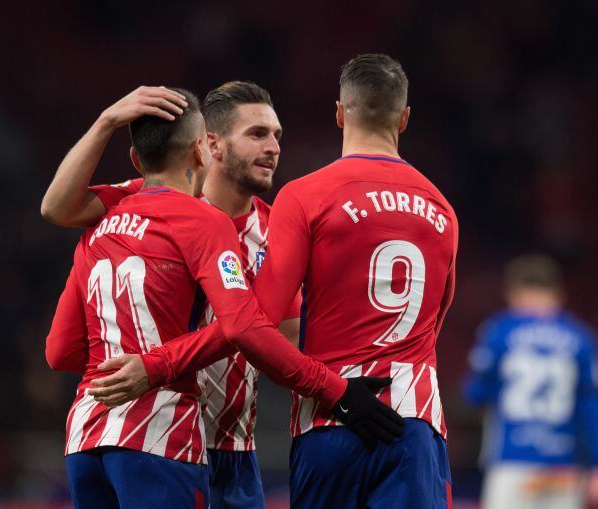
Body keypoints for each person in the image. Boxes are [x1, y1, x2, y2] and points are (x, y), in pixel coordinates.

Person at [94, 53, 459, 508]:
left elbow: (254, 321)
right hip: (411, 415)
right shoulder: (443, 209)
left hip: (318, 421)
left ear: (340, 113)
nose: (273, 147)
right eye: (259, 134)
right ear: (404, 119)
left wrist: (157, 364)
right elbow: (438, 315)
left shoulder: (304, 196)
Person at [45, 87, 404, 509]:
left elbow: (280, 340)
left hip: (229, 446)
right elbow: (56, 207)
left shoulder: (278, 231)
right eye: (257, 134)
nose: (272, 148)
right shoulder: (140, 198)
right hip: (167, 430)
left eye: (277, 136)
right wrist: (107, 120)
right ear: (208, 146)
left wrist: (341, 394)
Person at [463, 254, 598, 509]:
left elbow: (475, 392)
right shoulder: (582, 337)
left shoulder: (499, 330)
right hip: (564, 463)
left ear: (513, 292)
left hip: (511, 459)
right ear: (558, 292)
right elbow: (593, 408)